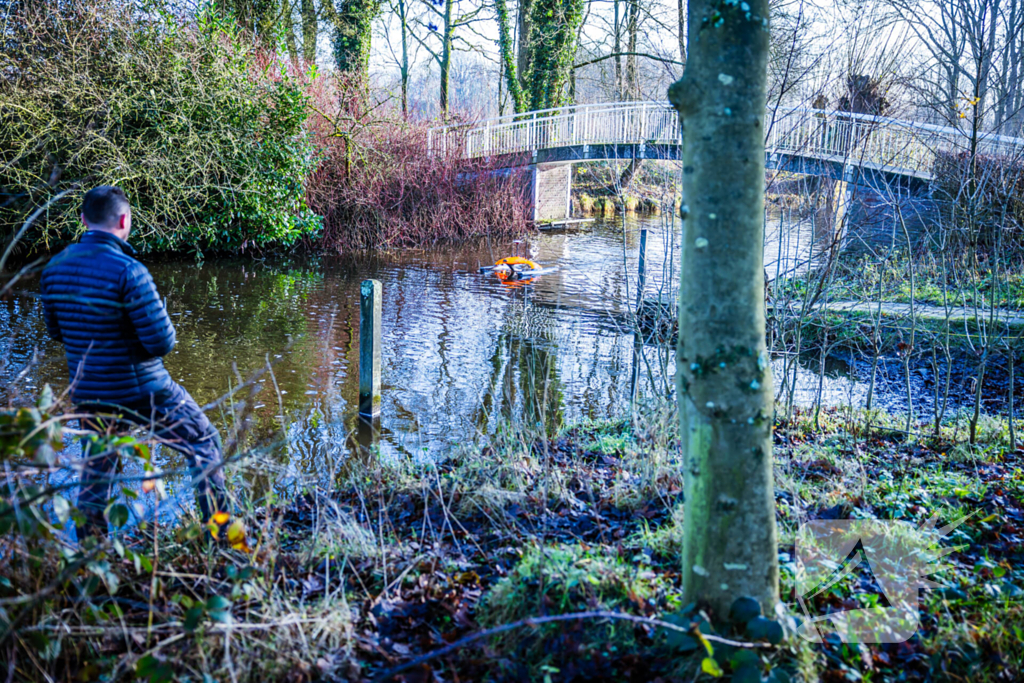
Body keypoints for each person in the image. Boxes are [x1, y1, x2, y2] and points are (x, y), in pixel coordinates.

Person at [40, 186, 228, 538]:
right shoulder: (130, 271)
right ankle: (219, 536)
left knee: (96, 475)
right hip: (144, 391)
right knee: (203, 442)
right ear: (125, 220)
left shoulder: (54, 269)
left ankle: (91, 553)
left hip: (90, 393)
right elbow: (161, 343)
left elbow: (56, 332)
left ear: (83, 220)